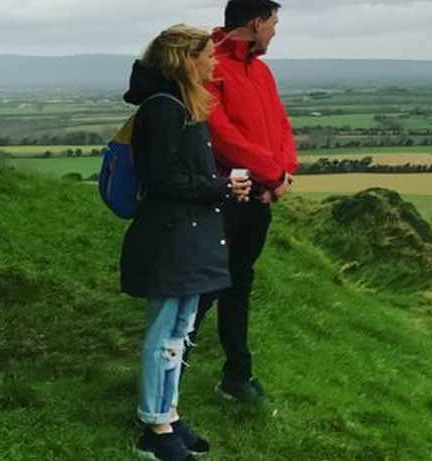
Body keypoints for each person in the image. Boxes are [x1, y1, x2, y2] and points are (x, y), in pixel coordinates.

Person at [121, 24, 252, 460]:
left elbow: (183, 173)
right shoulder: (162, 108)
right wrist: (220, 188)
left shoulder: (180, 104)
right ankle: (154, 429)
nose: (214, 62)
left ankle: (168, 415)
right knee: (164, 334)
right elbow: (162, 179)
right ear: (186, 60)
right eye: (207, 55)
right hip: (169, 236)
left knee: (180, 332)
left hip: (187, 234)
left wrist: (218, 185)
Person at [191, 0, 297, 403]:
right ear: (256, 23)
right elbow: (221, 136)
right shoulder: (210, 66)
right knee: (205, 288)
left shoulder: (262, 70)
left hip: (260, 197)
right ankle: (168, 376)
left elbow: (281, 126)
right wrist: (272, 175)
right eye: (273, 24)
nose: (274, 32)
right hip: (225, 196)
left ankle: (237, 375)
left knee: (239, 282)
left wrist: (284, 172)